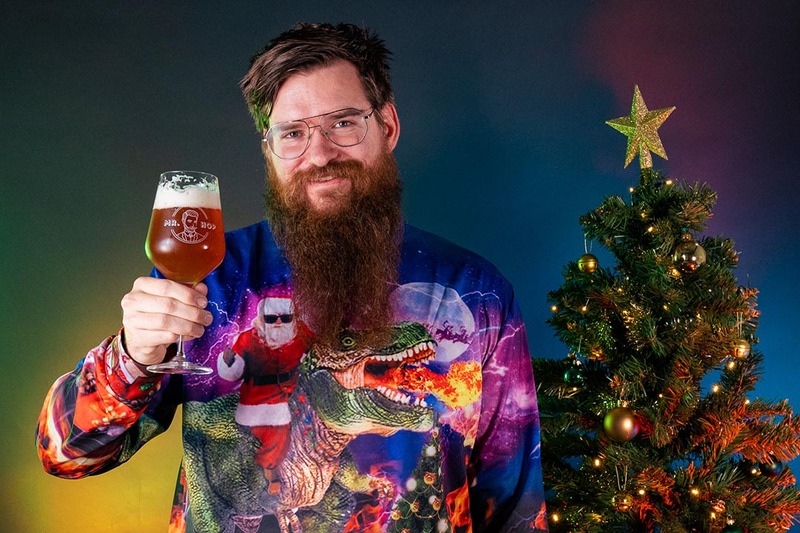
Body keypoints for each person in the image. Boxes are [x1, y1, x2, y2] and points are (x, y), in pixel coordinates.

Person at [36, 22, 548, 533]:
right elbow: (67, 454)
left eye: (343, 123)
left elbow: (515, 508)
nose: (319, 154)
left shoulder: (479, 294)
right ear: (269, 148)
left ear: (388, 126)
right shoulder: (206, 280)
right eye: (293, 133)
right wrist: (131, 356)